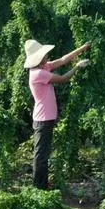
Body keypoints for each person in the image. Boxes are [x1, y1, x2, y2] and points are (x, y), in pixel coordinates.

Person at [24, 39, 91, 190]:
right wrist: (77, 67)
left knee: (43, 153)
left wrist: (82, 48)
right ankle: (39, 186)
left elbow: (62, 60)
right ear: (39, 58)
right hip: (43, 119)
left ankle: (42, 183)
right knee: (41, 155)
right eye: (44, 55)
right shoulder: (38, 73)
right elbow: (63, 79)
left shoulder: (43, 67)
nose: (47, 57)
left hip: (46, 118)